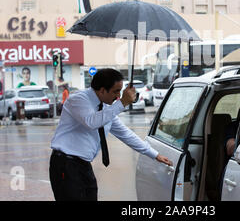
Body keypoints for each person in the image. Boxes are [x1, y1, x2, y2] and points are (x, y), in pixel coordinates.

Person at [49, 68, 172, 201]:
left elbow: (126, 134)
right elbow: (92, 121)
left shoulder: (107, 109)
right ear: (102, 90)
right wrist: (122, 103)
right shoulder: (78, 100)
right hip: (66, 164)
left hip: (83, 165)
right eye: (116, 91)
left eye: (120, 91)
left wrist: (155, 154)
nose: (118, 96)